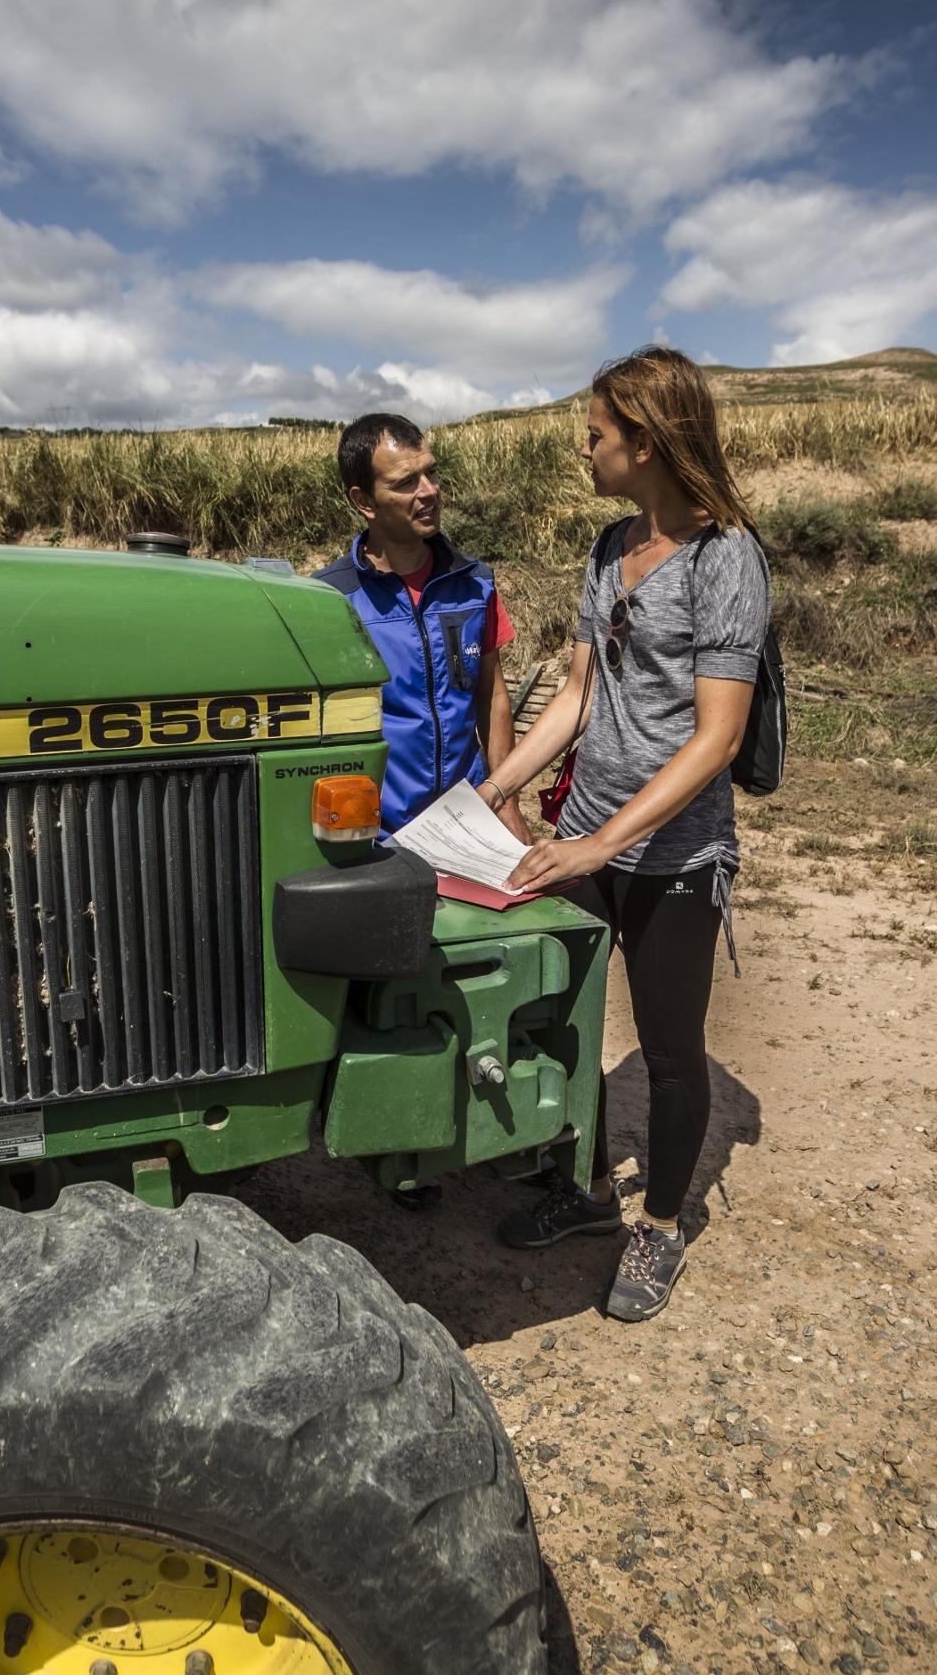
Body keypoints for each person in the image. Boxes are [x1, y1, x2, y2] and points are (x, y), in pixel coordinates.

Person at [474, 347, 770, 1320]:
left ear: (644, 442)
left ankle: (666, 1225)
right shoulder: (608, 547)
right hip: (588, 836)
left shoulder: (728, 560)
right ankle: (593, 1196)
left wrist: (603, 848)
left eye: (595, 435)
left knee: (671, 1051)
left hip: (673, 858)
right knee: (558, 1021)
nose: (584, 450)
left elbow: (717, 738)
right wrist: (499, 786)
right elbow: (577, 693)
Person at [316, 411, 527, 839]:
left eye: (431, 473)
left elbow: (492, 694)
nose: (429, 491)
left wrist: (506, 802)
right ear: (364, 501)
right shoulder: (328, 601)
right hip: (376, 834)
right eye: (405, 482)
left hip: (467, 823)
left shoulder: (475, 584)